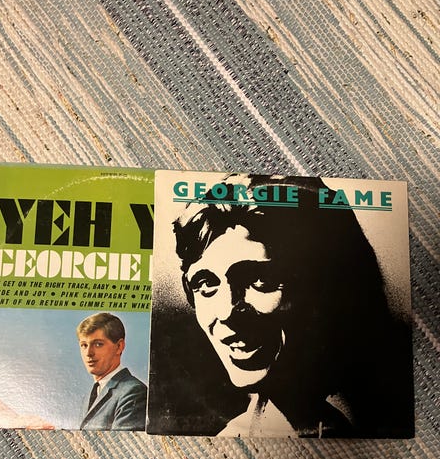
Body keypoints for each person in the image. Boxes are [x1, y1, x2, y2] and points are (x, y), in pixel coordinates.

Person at [166, 174, 413, 438]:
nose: (226, 312)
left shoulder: (372, 422)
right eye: (206, 285)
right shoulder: (239, 432)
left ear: (324, 287)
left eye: (260, 280)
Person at [77, 312, 146, 430]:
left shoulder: (133, 393)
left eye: (98, 344)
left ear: (119, 346)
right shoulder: (89, 397)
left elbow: (121, 441)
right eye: (84, 345)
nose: (88, 353)